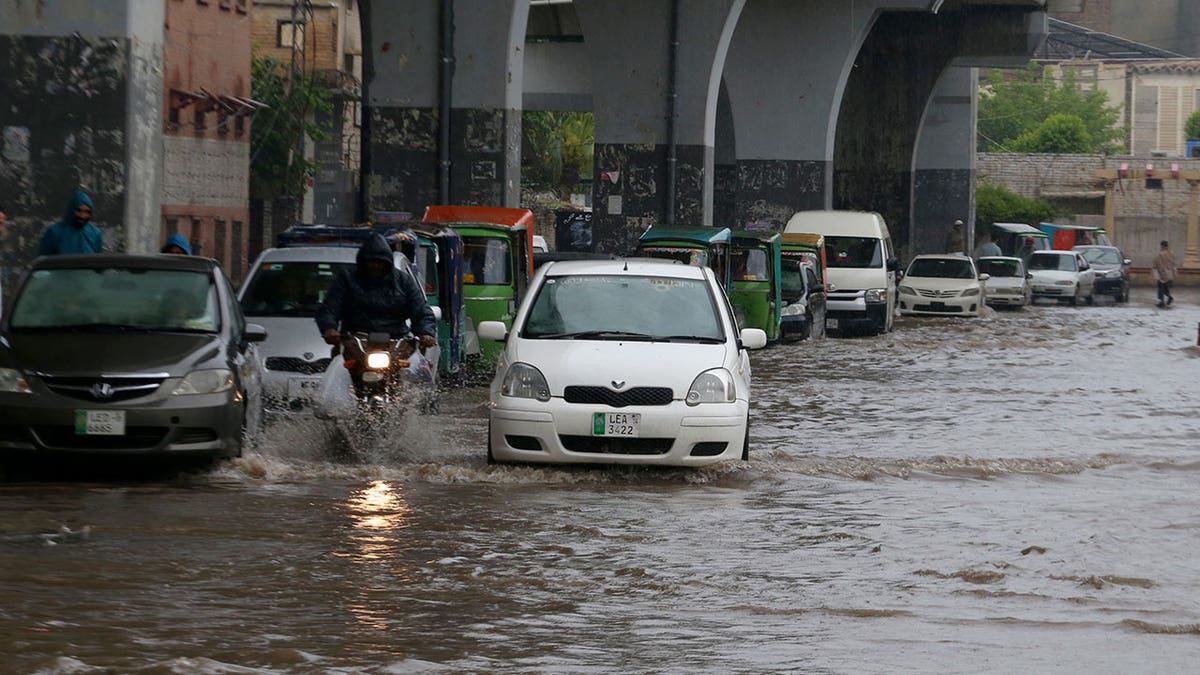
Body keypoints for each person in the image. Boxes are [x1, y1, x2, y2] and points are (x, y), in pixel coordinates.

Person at [316, 233, 437, 348]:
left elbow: (421, 311)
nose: (375, 266)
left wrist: (426, 333)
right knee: (339, 366)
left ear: (387, 262)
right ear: (363, 261)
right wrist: (329, 329)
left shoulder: (403, 281)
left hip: (397, 342)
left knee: (415, 367)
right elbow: (330, 307)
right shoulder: (347, 279)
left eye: (380, 262)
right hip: (355, 342)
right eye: (371, 262)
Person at [39, 189, 102, 255]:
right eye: (79, 211)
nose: (82, 215)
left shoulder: (95, 234)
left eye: (87, 212)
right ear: (72, 210)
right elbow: (44, 261)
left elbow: (97, 262)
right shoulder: (54, 233)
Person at [1153, 239, 1176, 308]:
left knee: (1161, 287)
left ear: (1162, 246)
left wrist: (1158, 271)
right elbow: (1173, 263)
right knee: (1166, 287)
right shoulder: (1171, 253)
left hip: (1163, 273)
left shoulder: (1161, 254)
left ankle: (1162, 301)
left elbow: (1158, 263)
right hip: (1170, 273)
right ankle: (1168, 298)